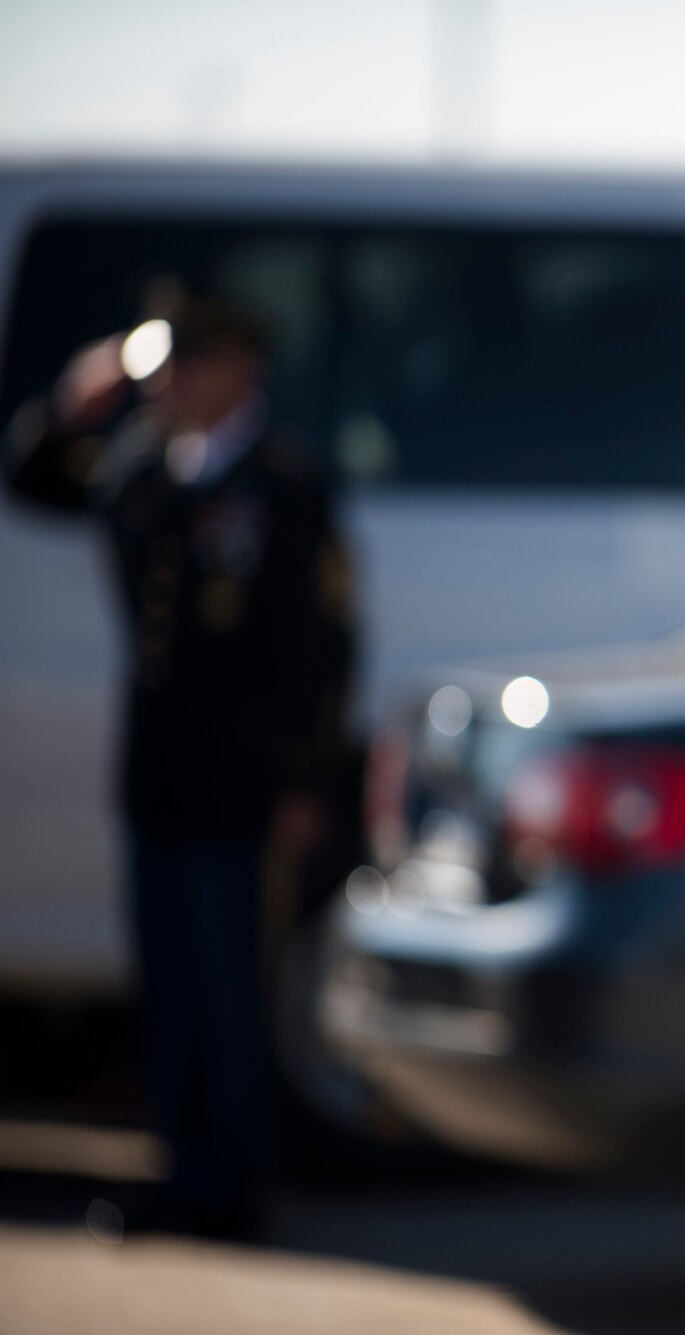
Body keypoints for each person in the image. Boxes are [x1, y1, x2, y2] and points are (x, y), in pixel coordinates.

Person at [4, 291, 355, 1238]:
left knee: (230, 985)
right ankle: (182, 1171)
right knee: (169, 986)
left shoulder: (286, 482)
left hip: (243, 786)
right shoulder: (147, 469)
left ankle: (231, 1187)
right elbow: (39, 482)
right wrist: (77, 401)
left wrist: (306, 781)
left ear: (242, 368)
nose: (168, 383)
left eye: (187, 364)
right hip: (157, 776)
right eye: (161, 366)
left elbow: (322, 646)